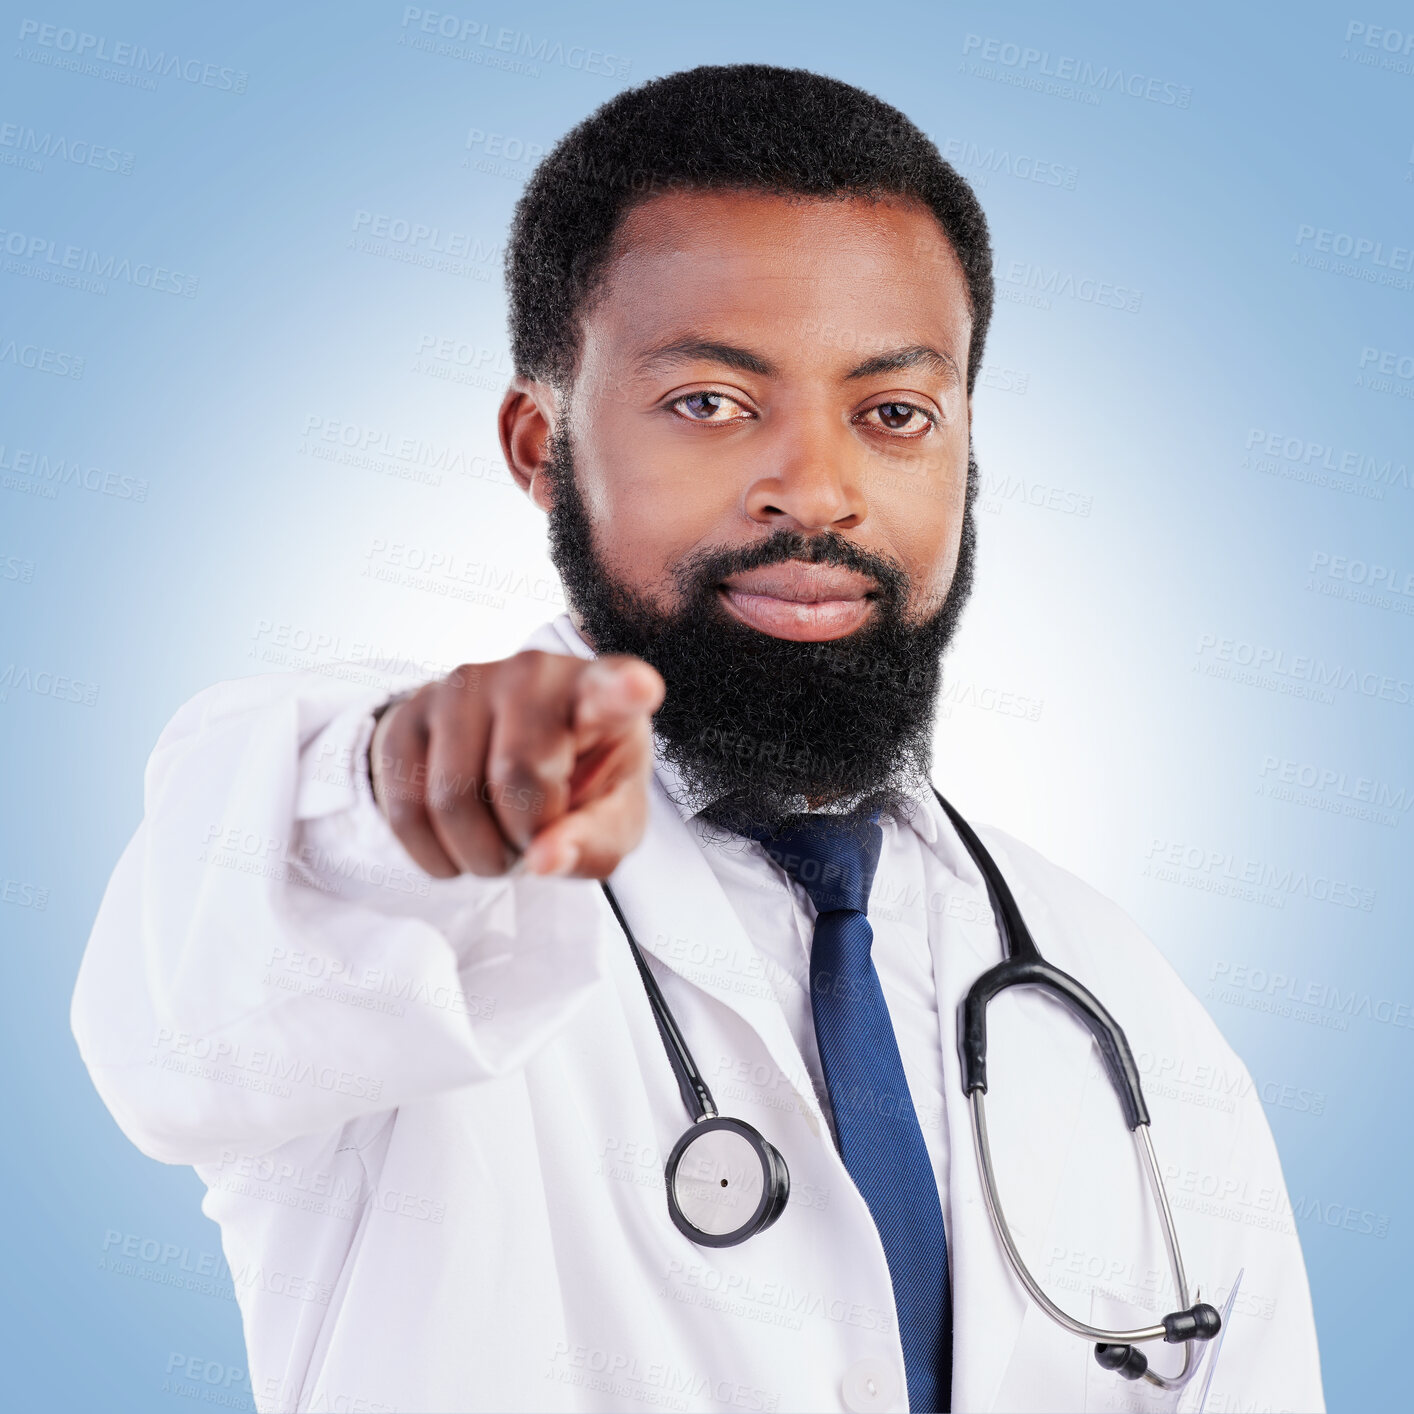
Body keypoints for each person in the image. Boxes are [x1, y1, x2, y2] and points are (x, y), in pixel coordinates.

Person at [72, 65, 1324, 1414]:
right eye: (712, 403)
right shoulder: (399, 874)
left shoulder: (1121, 998)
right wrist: (416, 780)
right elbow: (211, 983)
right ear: (539, 445)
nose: (819, 487)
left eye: (893, 412)